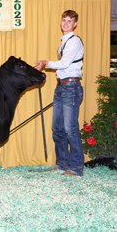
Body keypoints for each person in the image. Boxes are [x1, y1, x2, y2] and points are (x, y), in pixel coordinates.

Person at [35, 10, 84, 176]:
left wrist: (45, 62)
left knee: (70, 128)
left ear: (75, 24)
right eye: (64, 20)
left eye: (69, 21)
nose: (66, 23)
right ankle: (62, 163)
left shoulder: (74, 41)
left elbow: (64, 63)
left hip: (71, 86)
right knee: (57, 128)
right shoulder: (64, 41)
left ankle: (76, 167)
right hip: (61, 87)